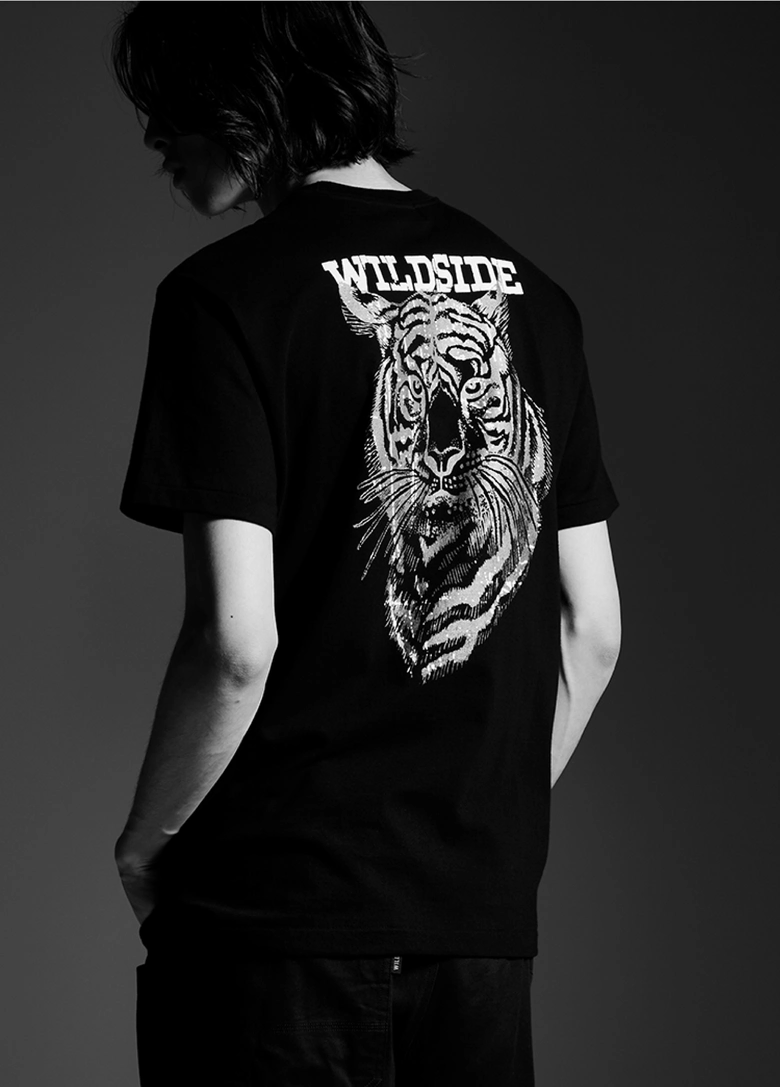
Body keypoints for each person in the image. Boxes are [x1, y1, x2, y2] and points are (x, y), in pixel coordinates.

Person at [111, 3, 622, 1084]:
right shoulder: (539, 297)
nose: (155, 133)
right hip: (477, 933)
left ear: (245, 99)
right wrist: (475, 841)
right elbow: (593, 630)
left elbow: (235, 644)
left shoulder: (222, 299)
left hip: (270, 929)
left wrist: (148, 842)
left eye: (169, 104)